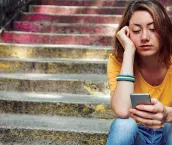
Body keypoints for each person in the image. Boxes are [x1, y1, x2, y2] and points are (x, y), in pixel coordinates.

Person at [106, 0, 172, 144]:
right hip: (137, 134)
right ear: (126, 33)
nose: (144, 37)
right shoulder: (118, 60)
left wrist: (167, 114)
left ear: (164, 29)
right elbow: (122, 111)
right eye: (136, 31)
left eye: (153, 29)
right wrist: (129, 51)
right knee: (124, 125)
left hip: (168, 131)